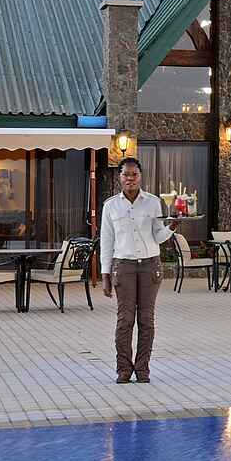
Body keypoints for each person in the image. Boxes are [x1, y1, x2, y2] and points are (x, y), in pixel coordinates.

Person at [100, 156, 177, 384]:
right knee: (125, 320)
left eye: (134, 174)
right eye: (126, 174)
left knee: (146, 320)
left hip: (150, 267)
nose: (130, 179)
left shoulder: (152, 202)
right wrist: (105, 275)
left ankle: (143, 368)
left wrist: (172, 227)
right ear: (119, 177)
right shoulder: (110, 206)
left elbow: (158, 236)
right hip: (123, 266)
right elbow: (106, 241)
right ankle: (123, 369)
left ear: (140, 177)